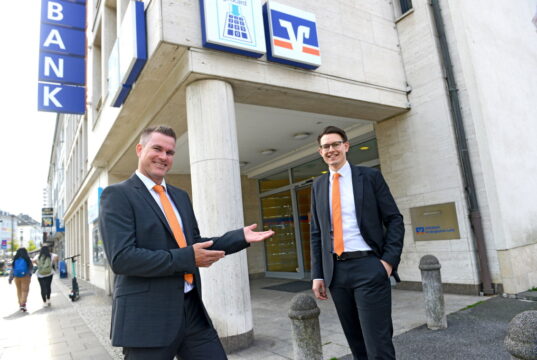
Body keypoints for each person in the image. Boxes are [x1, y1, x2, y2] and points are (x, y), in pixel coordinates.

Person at [99, 125, 274, 360]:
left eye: (170, 152)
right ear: (140, 149)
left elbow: (194, 244)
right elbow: (122, 259)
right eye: (157, 149)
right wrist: (187, 258)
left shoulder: (179, 196)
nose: (163, 157)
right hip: (147, 317)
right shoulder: (117, 195)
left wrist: (238, 238)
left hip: (192, 311)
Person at [310, 126, 404, 360]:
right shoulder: (318, 186)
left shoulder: (369, 177)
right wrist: (318, 274)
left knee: (377, 343)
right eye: (325, 146)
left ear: (346, 146)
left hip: (369, 267)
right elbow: (316, 233)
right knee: (356, 343)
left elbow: (394, 219)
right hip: (336, 272)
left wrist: (387, 262)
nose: (331, 150)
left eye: (335, 144)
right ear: (320, 152)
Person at [8, 247, 33, 312]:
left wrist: (10, 278)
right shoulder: (27, 259)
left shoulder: (15, 259)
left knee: (19, 290)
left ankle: (20, 304)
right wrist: (29, 275)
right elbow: (31, 268)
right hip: (26, 276)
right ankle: (23, 304)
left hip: (17, 277)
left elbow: (12, 269)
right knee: (25, 290)